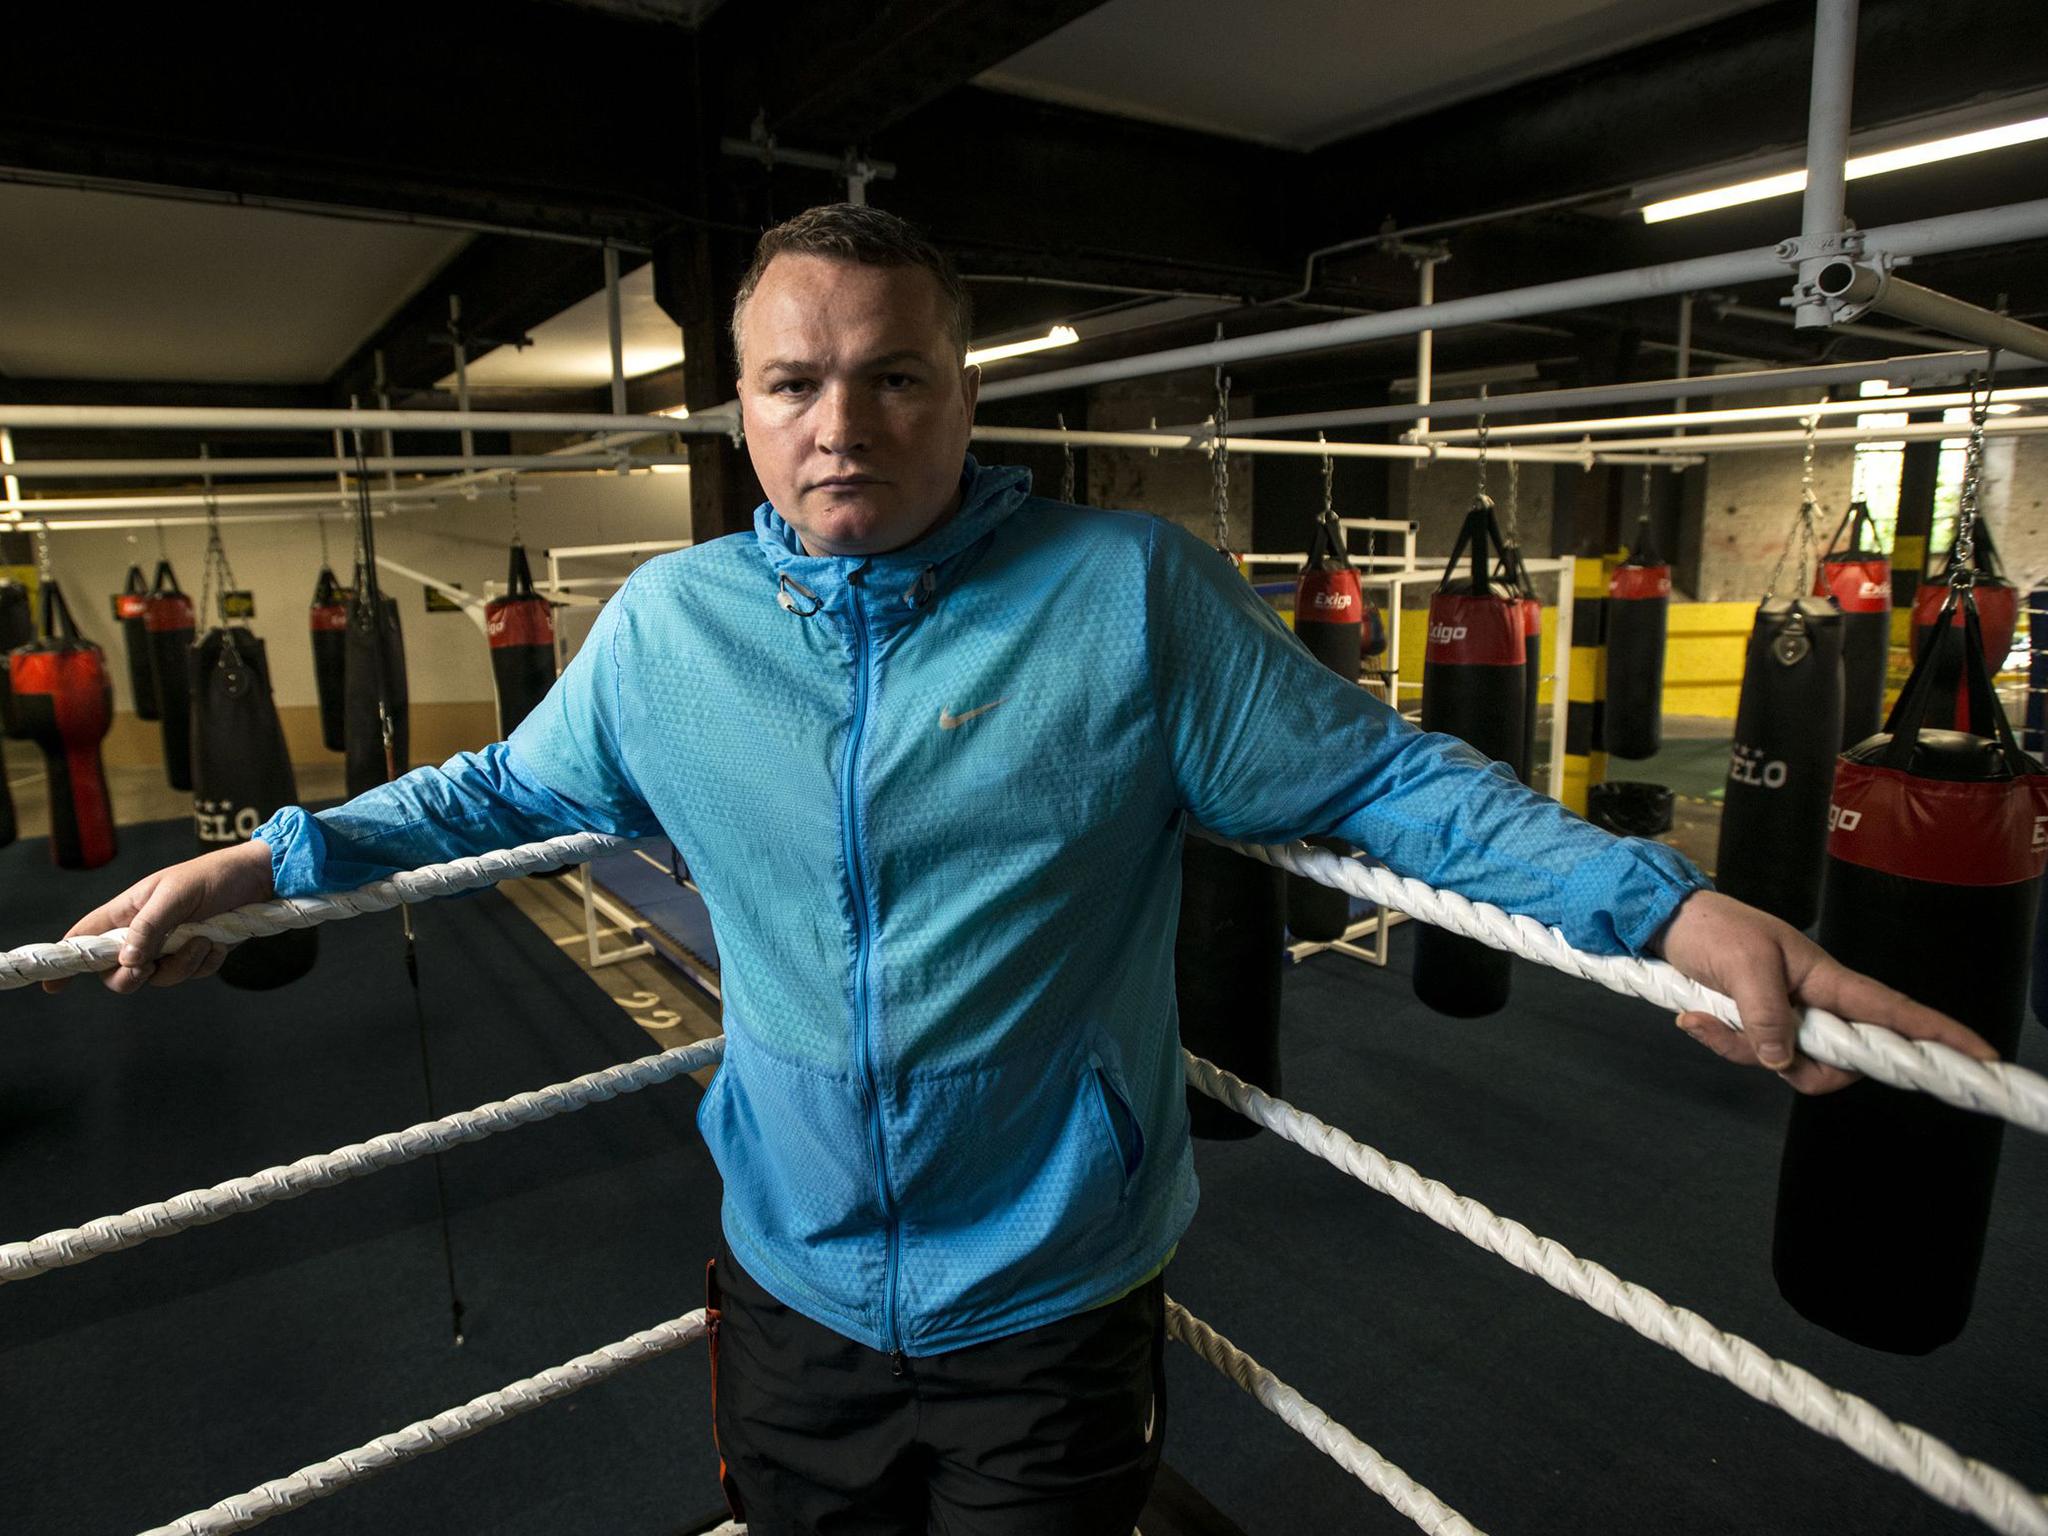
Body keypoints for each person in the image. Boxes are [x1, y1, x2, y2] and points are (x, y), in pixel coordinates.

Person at [50, 203, 1991, 1535]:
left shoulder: (1122, 598)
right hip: (787, 1278)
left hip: (1049, 1295)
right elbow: (485, 795)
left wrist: (1673, 908)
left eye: (893, 376)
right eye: (795, 383)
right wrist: (264, 868)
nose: (842, 423)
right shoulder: (662, 632)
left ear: (963, 391)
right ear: (737, 407)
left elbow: (1387, 784)